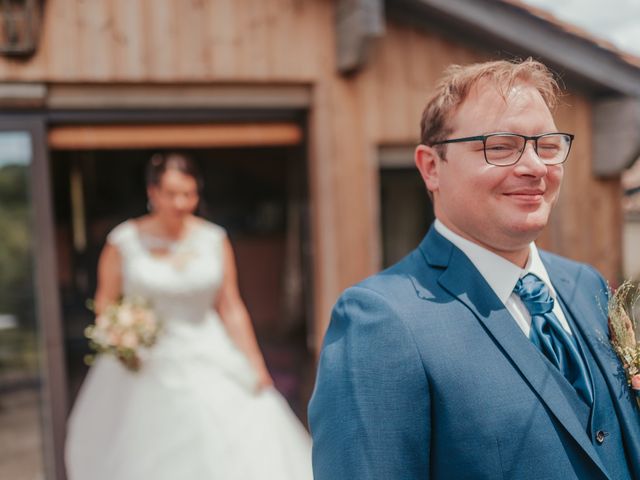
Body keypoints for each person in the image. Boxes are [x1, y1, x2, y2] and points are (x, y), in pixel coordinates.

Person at [309, 59, 640, 479]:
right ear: (432, 167)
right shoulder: (380, 322)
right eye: (500, 146)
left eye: (548, 145)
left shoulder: (585, 285)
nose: (534, 167)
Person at [65, 153, 312, 480]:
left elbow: (230, 306)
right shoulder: (123, 240)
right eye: (171, 193)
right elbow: (105, 301)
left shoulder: (214, 239)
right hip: (143, 363)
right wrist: (122, 337)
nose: (181, 202)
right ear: (152, 192)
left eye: (189, 193)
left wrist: (256, 365)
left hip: (208, 353)